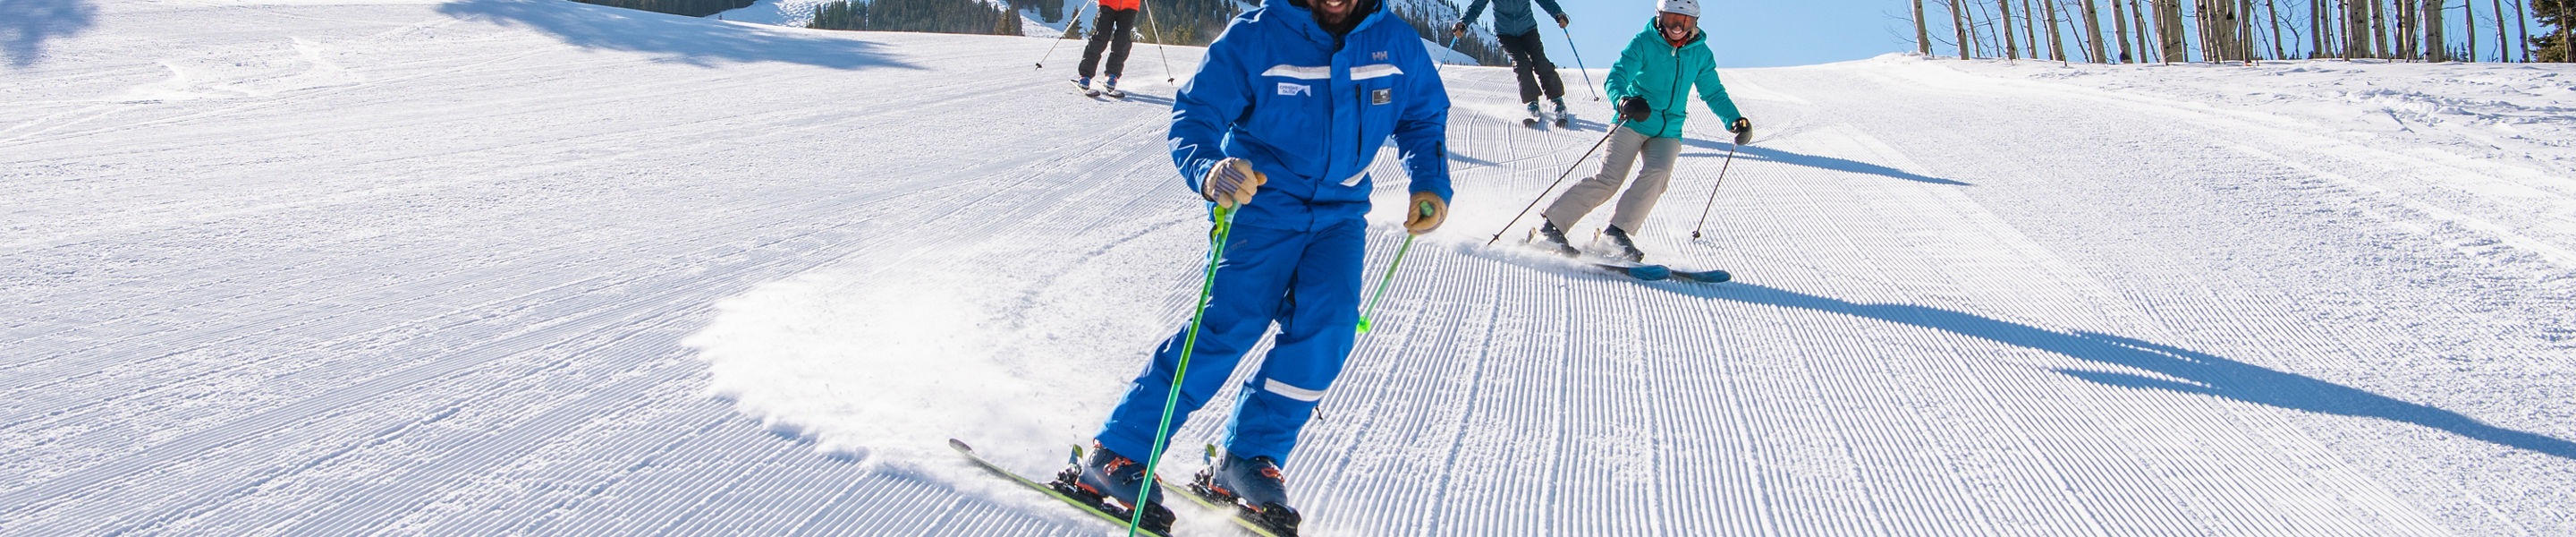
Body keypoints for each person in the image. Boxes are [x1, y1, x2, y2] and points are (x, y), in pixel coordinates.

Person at [1053, 0, 1453, 533]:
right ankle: (1118, 454)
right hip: (1257, 207)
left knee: (1328, 329)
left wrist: (1430, 180)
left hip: (1339, 216)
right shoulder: (1257, 36)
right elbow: (1193, 117)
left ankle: (1247, 460)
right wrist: (1211, 169)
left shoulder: (1396, 43)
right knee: (1227, 328)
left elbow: (1422, 116)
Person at [1532, 0, 1751, 262]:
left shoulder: (1700, 53)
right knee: (1609, 179)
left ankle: (1615, 234)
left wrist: (1734, 119)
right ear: (1660, 18)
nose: (1678, 28)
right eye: (1672, 20)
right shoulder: (1644, 42)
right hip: (1633, 120)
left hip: (1668, 129)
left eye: (1685, 22)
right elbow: (1617, 77)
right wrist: (1624, 101)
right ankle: (1551, 227)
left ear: (1695, 23)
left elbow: (1713, 92)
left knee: (1658, 174)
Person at [1449, 0, 1572, 124]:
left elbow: (1546, 2)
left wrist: (1558, 14)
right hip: (1506, 34)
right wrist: (1463, 22)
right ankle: (1532, 102)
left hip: (1528, 30)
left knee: (1540, 61)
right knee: (1522, 63)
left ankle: (1557, 101)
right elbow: (1476, 7)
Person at [1071, 0, 1142, 95]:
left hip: (1130, 5)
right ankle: (1085, 75)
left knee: (1122, 41)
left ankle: (1112, 76)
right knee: (1101, 38)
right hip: (1108, 3)